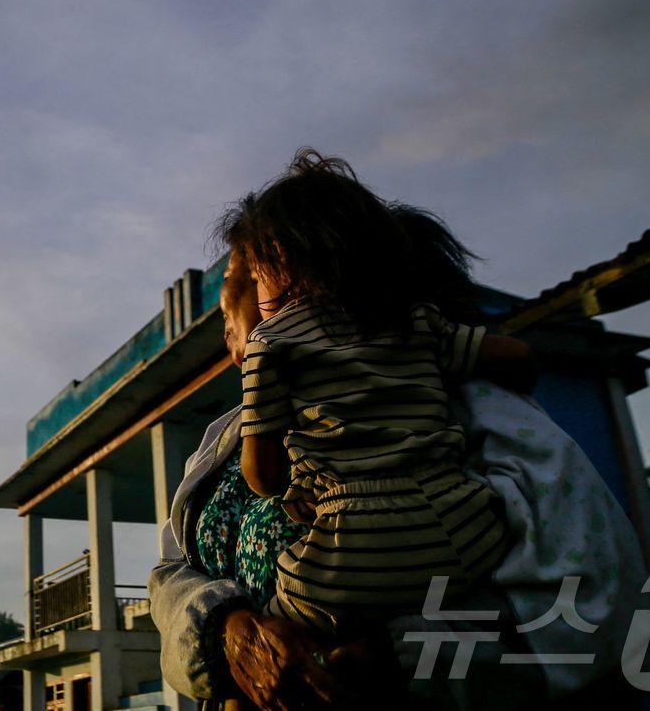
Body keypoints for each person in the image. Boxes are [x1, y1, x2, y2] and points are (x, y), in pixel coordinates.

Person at [149, 199, 648, 710]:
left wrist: (401, 658)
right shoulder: (226, 439)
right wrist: (227, 631)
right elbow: (171, 574)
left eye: (247, 276)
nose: (229, 304)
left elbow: (589, 617)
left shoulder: (468, 412)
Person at [219, 150, 535, 635]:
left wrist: (293, 479)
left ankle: (356, 662)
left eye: (255, 277)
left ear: (280, 264)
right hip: (465, 532)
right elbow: (519, 358)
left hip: (351, 547)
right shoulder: (418, 323)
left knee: (275, 633)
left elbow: (261, 475)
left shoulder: (273, 344)